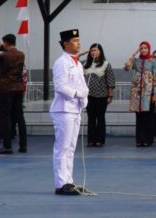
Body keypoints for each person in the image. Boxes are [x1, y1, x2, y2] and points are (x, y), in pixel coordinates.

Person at [51, 29, 90, 196]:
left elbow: (81, 85)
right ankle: (61, 183)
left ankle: (69, 180)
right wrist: (77, 94)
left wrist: (84, 97)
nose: (79, 43)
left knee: (71, 147)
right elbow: (60, 86)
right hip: (63, 109)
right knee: (63, 147)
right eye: (75, 40)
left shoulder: (77, 63)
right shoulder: (62, 62)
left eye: (79, 40)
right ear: (66, 44)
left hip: (75, 109)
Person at [0, 34, 27, 155]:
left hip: (6, 88)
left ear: (5, 43)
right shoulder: (21, 54)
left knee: (6, 116)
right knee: (19, 116)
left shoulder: (3, 56)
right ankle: (23, 145)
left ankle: (7, 146)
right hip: (18, 87)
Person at [124, 42, 156, 147]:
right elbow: (126, 67)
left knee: (147, 117)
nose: (143, 50)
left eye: (145, 48)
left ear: (149, 49)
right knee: (138, 117)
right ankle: (139, 140)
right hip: (136, 91)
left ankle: (148, 140)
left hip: (148, 92)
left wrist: (155, 93)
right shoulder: (135, 61)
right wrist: (133, 54)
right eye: (141, 48)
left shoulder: (153, 61)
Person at [83, 43, 115, 147]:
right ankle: (91, 140)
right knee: (91, 118)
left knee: (100, 117)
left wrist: (110, 96)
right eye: (92, 50)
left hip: (102, 96)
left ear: (100, 52)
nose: (93, 52)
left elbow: (110, 80)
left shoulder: (106, 64)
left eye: (96, 50)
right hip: (88, 96)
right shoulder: (84, 64)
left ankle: (100, 140)